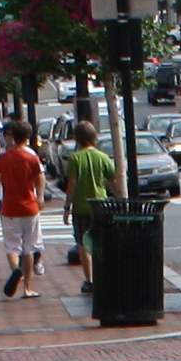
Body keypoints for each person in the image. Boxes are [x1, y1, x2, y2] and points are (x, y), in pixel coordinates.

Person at [0, 125, 48, 300]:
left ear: (13, 136)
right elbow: (40, 178)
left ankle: (16, 272)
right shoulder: (32, 158)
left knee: (12, 246)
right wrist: (41, 197)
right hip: (30, 206)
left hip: (9, 206)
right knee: (29, 248)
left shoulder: (3, 158)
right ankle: (27, 288)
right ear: (27, 137)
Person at [63, 118, 119, 292]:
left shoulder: (75, 159)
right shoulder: (102, 157)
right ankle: (105, 276)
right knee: (102, 242)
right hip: (101, 205)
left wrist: (67, 208)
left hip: (81, 207)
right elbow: (114, 182)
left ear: (77, 138)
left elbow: (71, 186)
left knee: (83, 244)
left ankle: (90, 280)